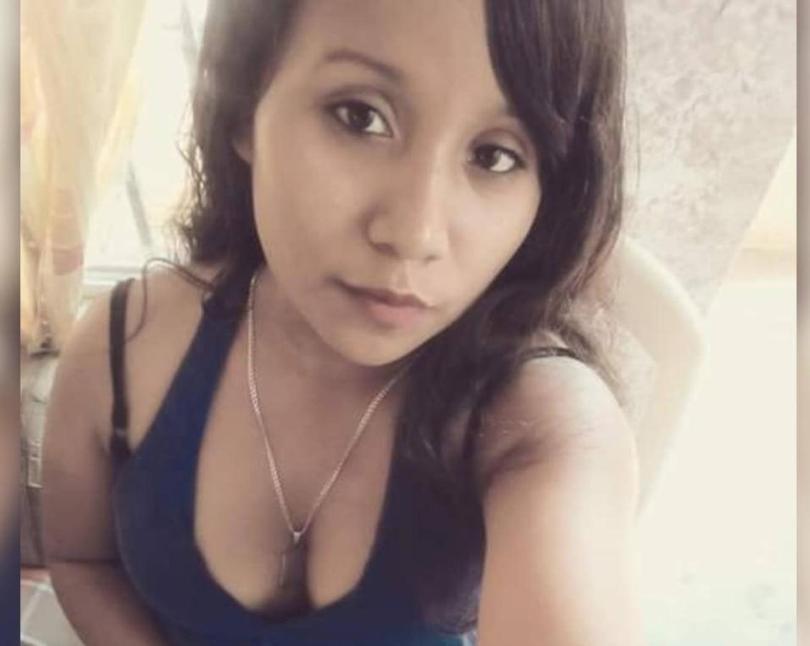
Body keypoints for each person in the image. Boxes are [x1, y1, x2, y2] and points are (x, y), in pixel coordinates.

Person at [42, 0, 642, 644]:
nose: (414, 233)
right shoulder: (125, 350)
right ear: (244, 105)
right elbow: (81, 559)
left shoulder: (542, 423)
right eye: (361, 116)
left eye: (495, 156)